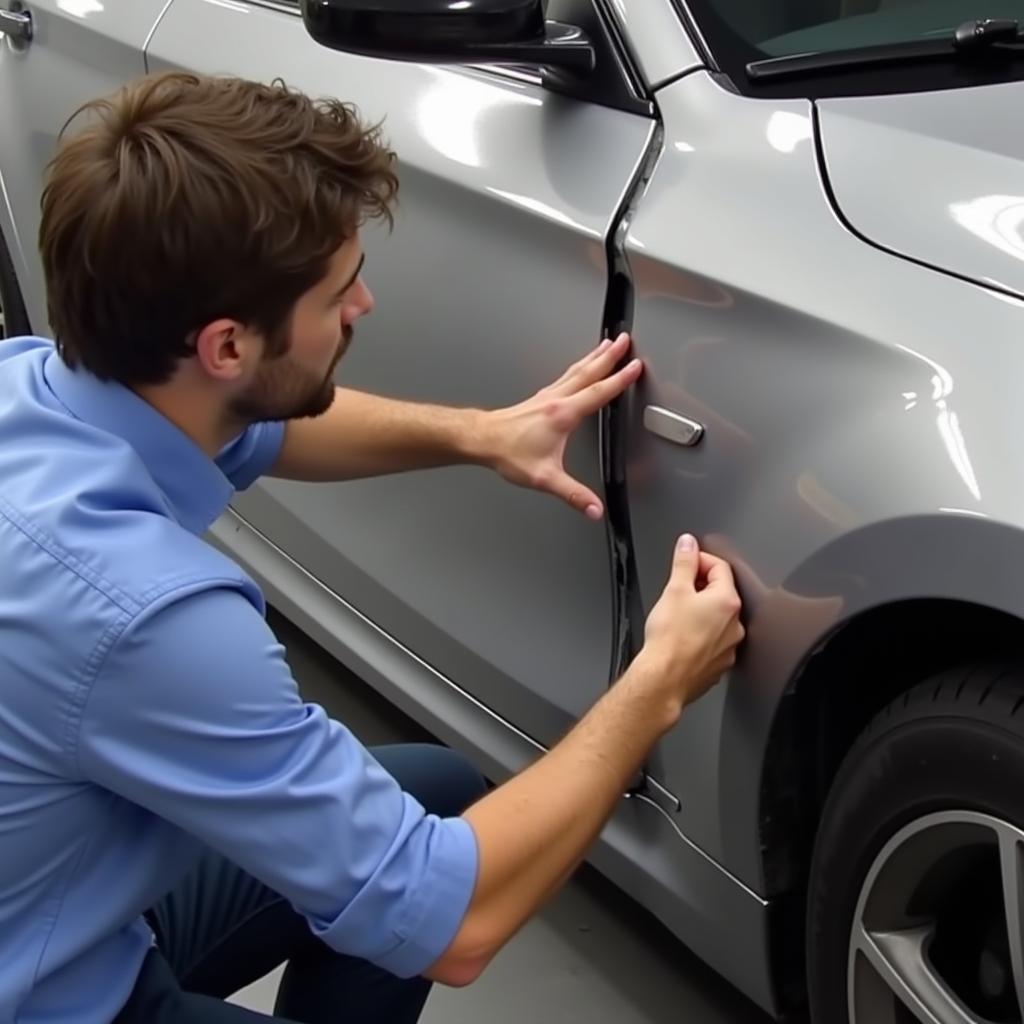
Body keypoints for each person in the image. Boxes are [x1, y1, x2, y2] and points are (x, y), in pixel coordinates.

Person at [0, 72, 744, 1024]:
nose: (365, 305)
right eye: (336, 291)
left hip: (53, 892)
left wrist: (482, 433)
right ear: (227, 347)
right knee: (428, 875)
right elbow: (459, 923)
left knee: (435, 795)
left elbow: (259, 427)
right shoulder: (150, 619)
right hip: (53, 988)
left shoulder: (41, 384)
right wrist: (661, 681)